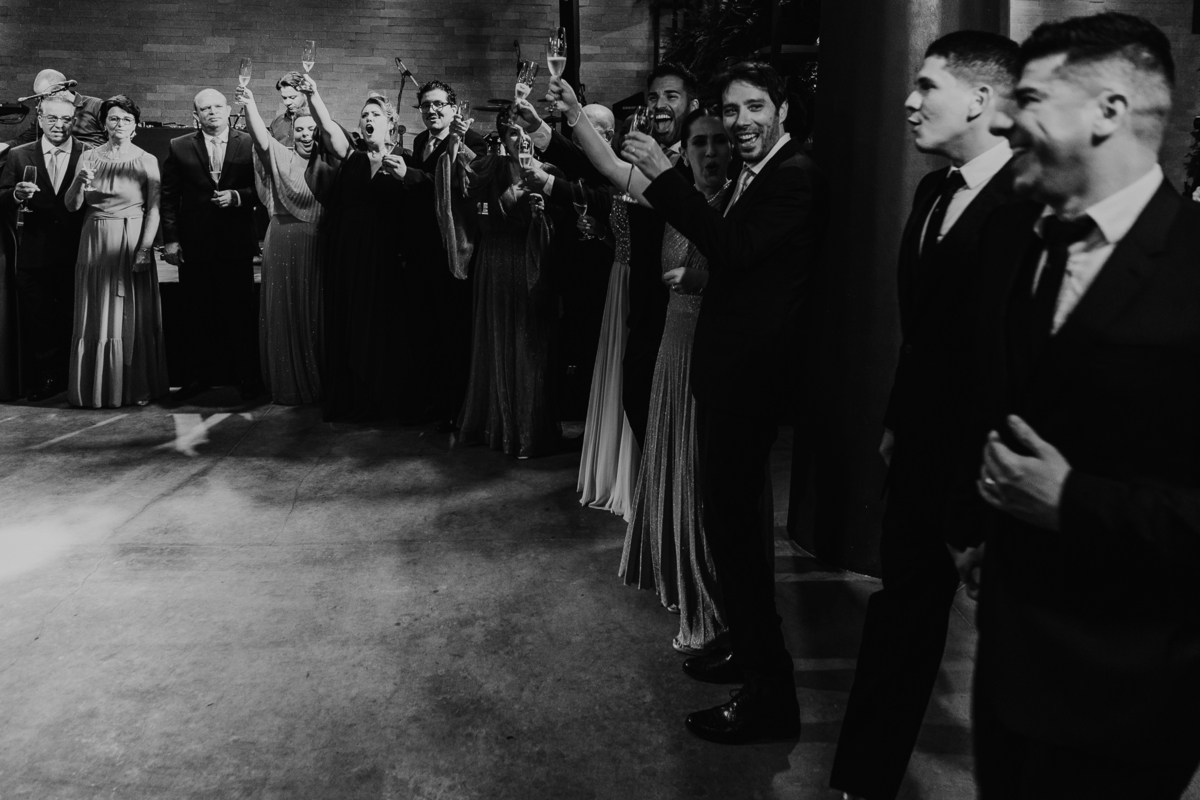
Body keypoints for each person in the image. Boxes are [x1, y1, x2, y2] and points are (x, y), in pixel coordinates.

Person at [943, 13, 1200, 797]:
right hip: (1009, 663)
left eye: (1029, 99)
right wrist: (993, 530)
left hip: (1127, 693)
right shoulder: (1019, 237)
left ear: (1107, 111)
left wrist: (1070, 503)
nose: (1003, 121)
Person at [830, 31, 1019, 800]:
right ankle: (863, 782)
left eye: (927, 86)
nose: (909, 102)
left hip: (995, 470)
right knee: (900, 617)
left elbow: (1014, 360)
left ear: (981, 99)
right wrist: (897, 421)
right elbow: (925, 335)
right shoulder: (932, 192)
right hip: (921, 453)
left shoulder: (1031, 202)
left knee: (1015, 651)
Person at [622, 60, 827, 744]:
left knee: (739, 537)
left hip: (752, 382)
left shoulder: (795, 175)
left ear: (783, 110)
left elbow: (733, 250)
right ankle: (745, 645)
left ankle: (769, 695)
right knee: (729, 532)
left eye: (754, 107)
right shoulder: (758, 172)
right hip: (728, 376)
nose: (740, 122)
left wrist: (664, 175)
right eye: (731, 110)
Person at [515, 64, 699, 451]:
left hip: (688, 313)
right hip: (646, 304)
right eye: (654, 96)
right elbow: (603, 167)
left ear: (694, 106)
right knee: (638, 400)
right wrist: (563, 118)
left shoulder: (699, 162)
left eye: (671, 96)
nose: (660, 104)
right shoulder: (650, 159)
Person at [299, 77, 432, 422]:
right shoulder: (352, 157)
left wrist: (406, 177)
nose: (368, 118)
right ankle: (350, 400)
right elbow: (327, 127)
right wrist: (314, 95)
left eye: (375, 114)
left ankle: (382, 401)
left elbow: (421, 207)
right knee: (348, 321)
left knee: (381, 325)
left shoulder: (404, 160)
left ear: (391, 124)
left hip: (384, 256)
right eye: (364, 115)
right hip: (347, 253)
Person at [435, 107, 563, 458]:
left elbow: (568, 222)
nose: (522, 138)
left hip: (532, 263)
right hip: (494, 264)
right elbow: (459, 177)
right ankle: (498, 425)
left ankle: (529, 430)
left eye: (526, 131)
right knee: (496, 342)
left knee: (530, 345)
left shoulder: (551, 172)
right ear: (503, 139)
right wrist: (455, 140)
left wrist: (543, 219)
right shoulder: (491, 167)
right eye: (512, 133)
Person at [62, 95, 168, 408]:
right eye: (114, 118)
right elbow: (72, 205)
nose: (120, 124)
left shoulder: (147, 160)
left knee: (130, 315)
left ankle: (133, 387)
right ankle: (96, 389)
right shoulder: (88, 157)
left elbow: (155, 208)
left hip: (131, 240)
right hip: (94, 241)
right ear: (104, 123)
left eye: (126, 119)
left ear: (135, 126)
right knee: (96, 314)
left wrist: (145, 249)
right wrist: (79, 182)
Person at [161, 89, 261, 401]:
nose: (212, 112)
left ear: (229, 110)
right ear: (196, 115)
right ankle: (196, 378)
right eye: (205, 109)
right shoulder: (179, 146)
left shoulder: (250, 142)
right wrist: (171, 240)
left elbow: (264, 189)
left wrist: (238, 197)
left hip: (236, 244)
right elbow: (168, 197)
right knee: (196, 316)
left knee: (240, 314)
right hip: (196, 245)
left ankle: (248, 377)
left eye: (218, 106)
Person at [403, 80, 488, 432]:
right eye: (426, 105)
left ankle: (458, 407)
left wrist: (410, 175)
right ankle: (433, 402)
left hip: (454, 249)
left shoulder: (474, 142)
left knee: (454, 330)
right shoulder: (419, 142)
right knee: (426, 330)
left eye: (439, 104)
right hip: (423, 249)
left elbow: (462, 189)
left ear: (453, 108)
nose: (432, 111)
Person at [236, 85, 323, 406]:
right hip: (283, 241)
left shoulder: (328, 165)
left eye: (311, 129)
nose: (305, 135)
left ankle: (319, 379)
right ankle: (287, 382)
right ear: (292, 133)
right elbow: (260, 139)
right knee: (283, 312)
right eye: (299, 130)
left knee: (314, 311)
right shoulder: (281, 157)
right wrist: (249, 103)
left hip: (317, 245)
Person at [0, 95, 89, 401]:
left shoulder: (88, 153)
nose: (59, 125)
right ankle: (49, 377)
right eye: (52, 118)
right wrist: (15, 195)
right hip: (33, 253)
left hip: (78, 251)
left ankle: (77, 376)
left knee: (73, 316)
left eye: (65, 119)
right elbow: (1, 196)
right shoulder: (18, 155)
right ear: (40, 119)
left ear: (74, 121)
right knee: (39, 320)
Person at [0, 69, 105, 154]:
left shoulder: (96, 105)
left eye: (45, 96)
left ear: (62, 90)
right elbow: (23, 141)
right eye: (39, 98)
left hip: (93, 161)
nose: (41, 102)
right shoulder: (47, 112)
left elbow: (112, 140)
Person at [269, 72, 309, 148]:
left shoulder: (317, 122)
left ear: (305, 95)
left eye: (292, 97)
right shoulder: (276, 122)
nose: (287, 103)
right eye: (284, 98)